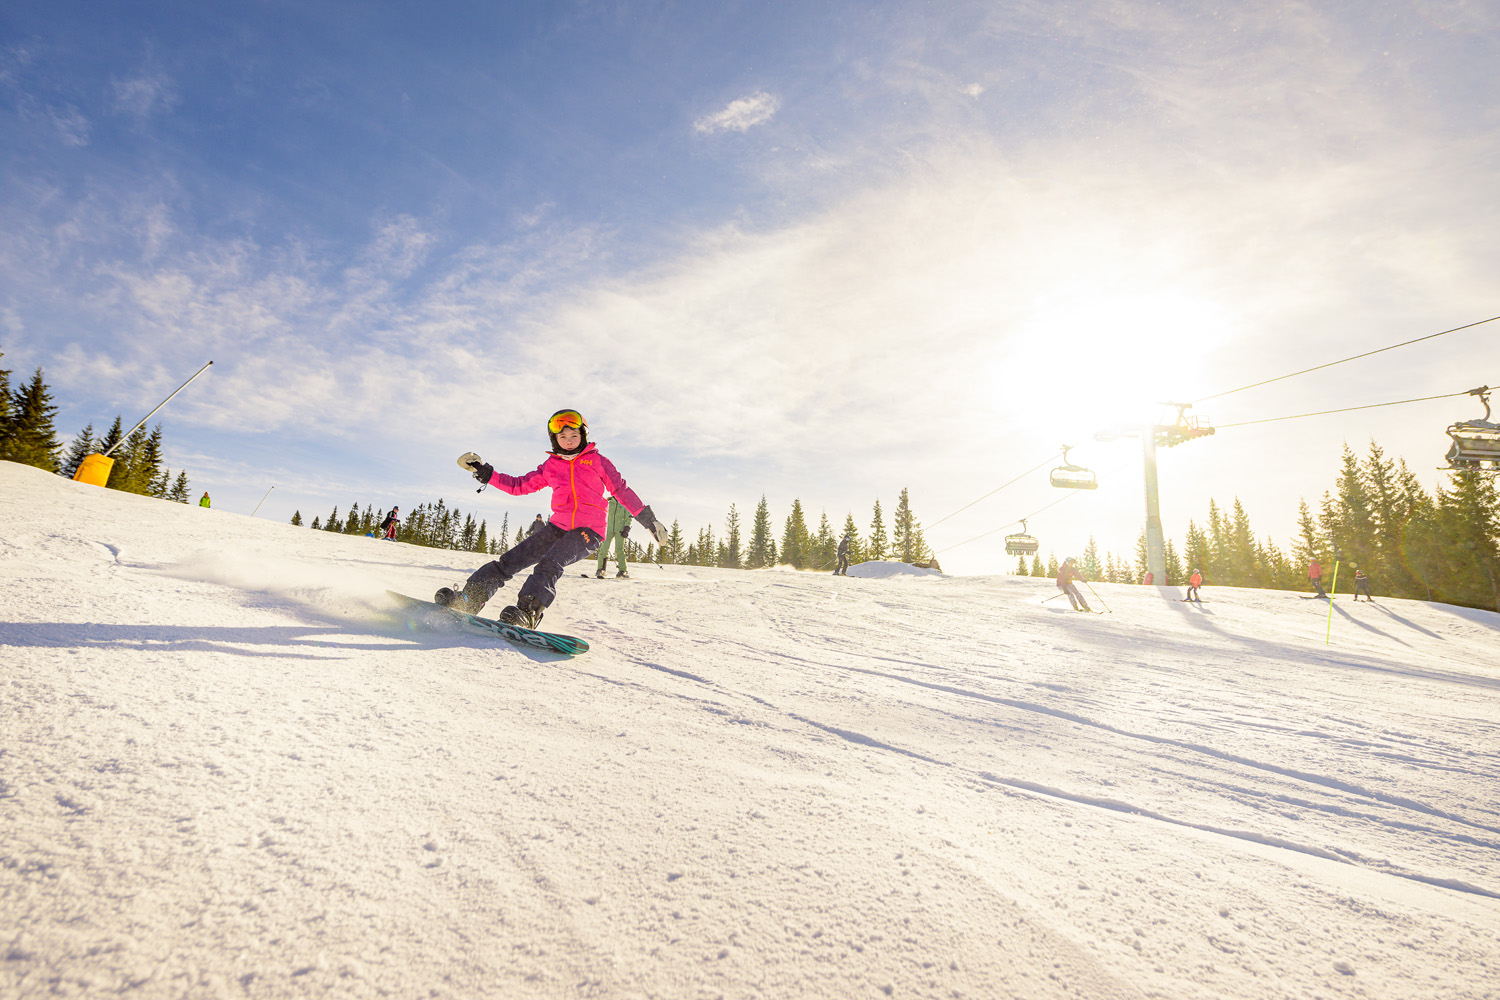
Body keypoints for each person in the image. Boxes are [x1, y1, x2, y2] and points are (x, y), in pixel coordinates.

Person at [438, 409, 668, 628]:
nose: (569, 441)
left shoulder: (598, 462)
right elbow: (519, 485)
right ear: (555, 439)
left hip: (589, 532)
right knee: (510, 561)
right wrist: (486, 472)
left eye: (574, 435)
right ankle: (467, 600)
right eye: (563, 436)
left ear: (583, 436)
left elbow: (621, 490)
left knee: (550, 562)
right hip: (557, 528)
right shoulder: (551, 466)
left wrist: (649, 521)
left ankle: (528, 613)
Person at [595, 496, 632, 579]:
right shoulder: (608, 503)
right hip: (608, 530)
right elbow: (602, 515)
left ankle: (623, 570)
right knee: (603, 549)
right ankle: (601, 569)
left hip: (620, 530)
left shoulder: (624, 503)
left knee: (619, 549)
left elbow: (629, 517)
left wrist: (626, 528)